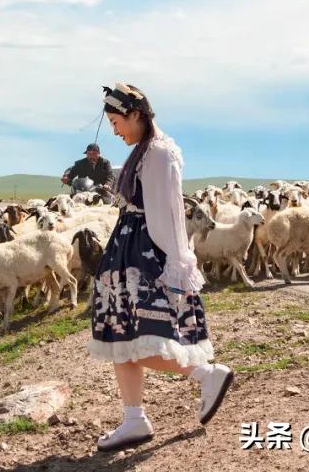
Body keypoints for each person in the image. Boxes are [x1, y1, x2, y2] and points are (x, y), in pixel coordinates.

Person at [87, 82, 234, 452]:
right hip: (127, 252)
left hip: (143, 256)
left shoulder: (158, 155)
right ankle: (134, 419)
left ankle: (206, 374)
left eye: (117, 121)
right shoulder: (145, 152)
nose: (115, 129)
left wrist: (177, 264)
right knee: (120, 336)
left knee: (142, 338)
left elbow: (165, 215)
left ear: (137, 115)